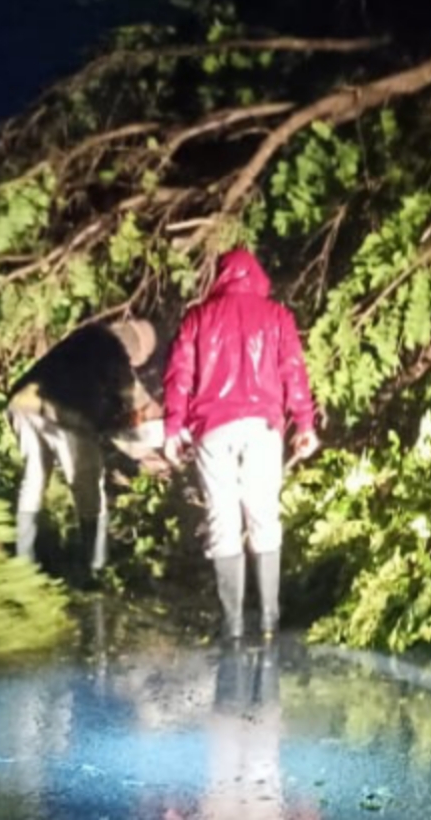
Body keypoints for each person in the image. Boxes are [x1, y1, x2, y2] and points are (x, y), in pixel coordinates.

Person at [162, 248, 321, 642]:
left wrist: (172, 427)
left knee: (223, 520)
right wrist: (304, 423)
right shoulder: (277, 316)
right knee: (264, 517)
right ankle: (269, 621)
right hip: (263, 427)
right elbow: (293, 371)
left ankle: (231, 624)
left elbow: (180, 375)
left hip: (212, 428)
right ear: (257, 275)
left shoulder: (198, 317)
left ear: (220, 276)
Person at [5, 318, 167, 577]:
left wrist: (139, 451)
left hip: (23, 401)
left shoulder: (88, 336)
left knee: (33, 479)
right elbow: (136, 408)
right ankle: (95, 566)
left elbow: (109, 422)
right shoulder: (115, 354)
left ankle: (24, 558)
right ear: (138, 350)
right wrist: (163, 431)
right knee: (88, 487)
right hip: (64, 411)